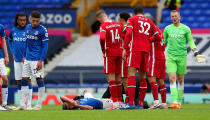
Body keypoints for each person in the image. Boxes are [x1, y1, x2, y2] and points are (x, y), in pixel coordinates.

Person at [163, 10, 205, 109]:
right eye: (172, 16)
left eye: (176, 16)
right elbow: (163, 41)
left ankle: (179, 102)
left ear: (180, 17)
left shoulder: (186, 29)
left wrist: (195, 51)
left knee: (180, 79)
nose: (174, 18)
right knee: (172, 78)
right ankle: (174, 101)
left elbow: (190, 41)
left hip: (182, 56)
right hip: (170, 56)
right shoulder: (167, 29)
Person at [122, 6, 161, 109]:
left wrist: (125, 48)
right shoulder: (150, 21)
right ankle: (140, 104)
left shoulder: (132, 19)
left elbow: (129, 32)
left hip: (135, 49)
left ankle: (130, 103)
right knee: (143, 77)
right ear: (143, 12)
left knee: (131, 74)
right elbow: (158, 37)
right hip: (146, 51)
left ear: (134, 13)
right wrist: (148, 40)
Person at [96, 10, 123, 110]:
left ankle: (115, 103)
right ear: (107, 15)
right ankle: (120, 102)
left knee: (111, 79)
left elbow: (102, 38)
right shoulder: (118, 24)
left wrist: (103, 49)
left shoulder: (103, 26)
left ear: (99, 19)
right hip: (119, 52)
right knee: (118, 79)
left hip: (110, 53)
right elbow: (125, 35)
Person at [22, 11, 49, 110]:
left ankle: (38, 105)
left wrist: (41, 60)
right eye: (33, 21)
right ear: (30, 19)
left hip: (36, 59)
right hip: (27, 59)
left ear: (39, 20)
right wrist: (24, 55)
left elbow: (45, 46)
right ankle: (26, 105)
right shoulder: (27, 28)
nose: (35, 23)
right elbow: (26, 43)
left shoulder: (42, 30)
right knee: (25, 80)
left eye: (37, 21)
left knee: (39, 80)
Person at [8, 13, 33, 110]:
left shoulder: (29, 30)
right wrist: (12, 51)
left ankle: (29, 105)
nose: (22, 22)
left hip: (27, 60)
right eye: (20, 20)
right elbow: (10, 40)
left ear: (26, 21)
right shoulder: (13, 30)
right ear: (17, 21)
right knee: (19, 81)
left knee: (28, 80)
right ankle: (22, 104)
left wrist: (26, 55)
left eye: (24, 20)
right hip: (17, 60)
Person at [146, 16, 167, 109]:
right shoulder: (159, 31)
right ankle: (164, 103)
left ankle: (156, 102)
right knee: (160, 81)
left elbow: (148, 41)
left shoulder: (152, 31)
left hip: (155, 57)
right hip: (162, 57)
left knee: (151, 77)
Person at [0, 24, 16, 110]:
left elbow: (3, 42)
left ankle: (4, 104)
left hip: (0, 57)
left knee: (5, 79)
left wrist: (6, 56)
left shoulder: (1, 27)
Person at [118, 11, 130, 104]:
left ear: (122, 19)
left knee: (125, 80)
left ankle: (128, 101)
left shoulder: (125, 28)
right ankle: (129, 100)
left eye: (119, 18)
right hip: (130, 56)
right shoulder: (129, 28)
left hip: (125, 56)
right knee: (126, 79)